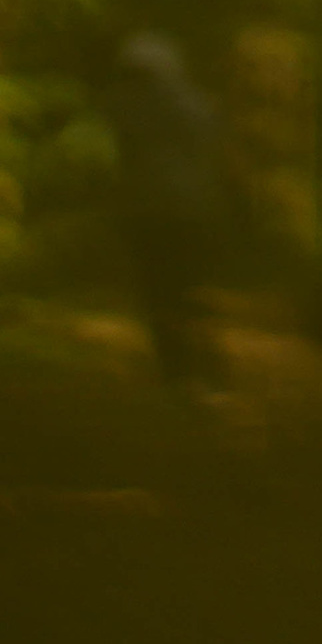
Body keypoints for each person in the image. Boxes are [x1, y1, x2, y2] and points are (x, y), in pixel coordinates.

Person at [105, 31, 230, 386]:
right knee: (178, 286)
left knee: (162, 287)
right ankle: (189, 359)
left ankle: (181, 360)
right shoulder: (192, 103)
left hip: (156, 209)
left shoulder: (127, 105)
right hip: (184, 208)